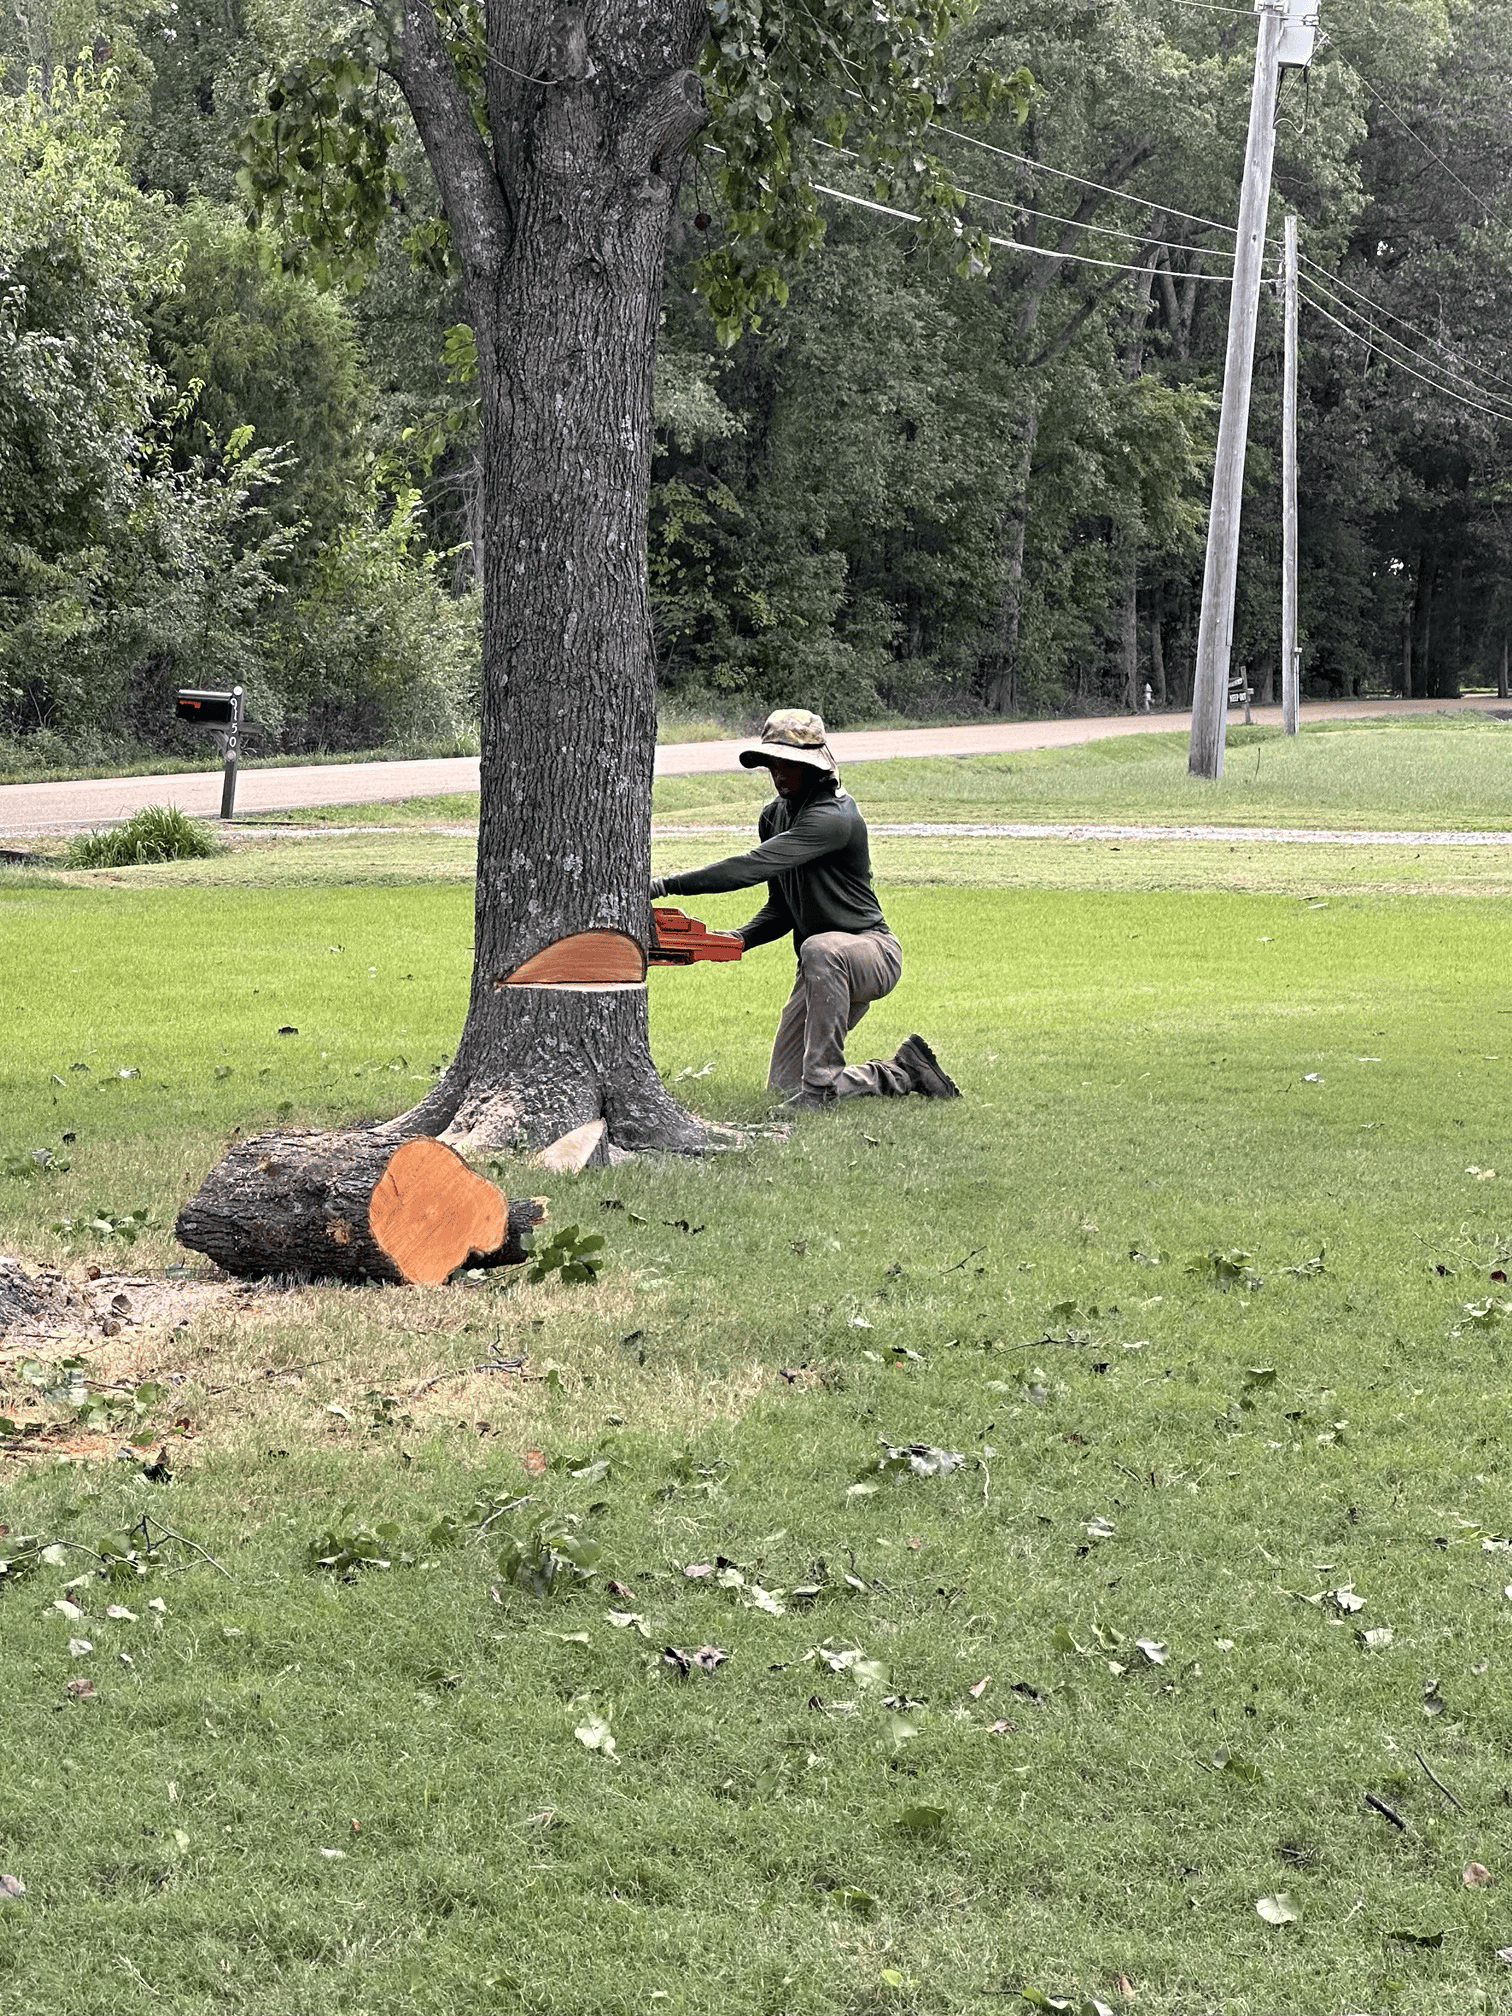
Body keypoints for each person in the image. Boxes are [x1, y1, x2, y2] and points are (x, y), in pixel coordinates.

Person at [649, 708, 960, 1109]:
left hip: (870, 953)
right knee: (783, 1086)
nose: (778, 773)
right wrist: (734, 940)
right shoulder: (774, 816)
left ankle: (818, 1093)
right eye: (771, 763)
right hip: (821, 968)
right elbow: (782, 908)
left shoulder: (834, 817)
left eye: (788, 763)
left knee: (819, 952)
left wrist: (662, 885)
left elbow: (751, 867)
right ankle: (904, 1071)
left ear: (813, 766)